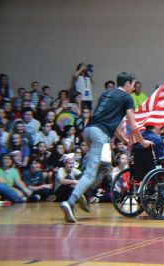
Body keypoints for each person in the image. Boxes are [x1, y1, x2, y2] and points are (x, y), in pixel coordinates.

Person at [60, 72, 151, 223]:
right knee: (90, 174)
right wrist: (142, 142)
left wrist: (124, 140)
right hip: (100, 136)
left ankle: (84, 191)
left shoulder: (106, 94)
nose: (134, 88)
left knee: (105, 167)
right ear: (127, 84)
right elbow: (133, 125)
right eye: (133, 85)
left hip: (89, 131)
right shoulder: (126, 98)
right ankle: (70, 202)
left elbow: (111, 125)